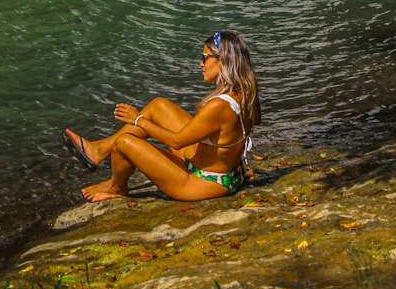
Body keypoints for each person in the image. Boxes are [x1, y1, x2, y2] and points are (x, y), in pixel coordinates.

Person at [62, 29, 260, 202]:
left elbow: (176, 142)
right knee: (159, 106)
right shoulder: (246, 91)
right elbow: (248, 125)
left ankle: (117, 187)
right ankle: (98, 150)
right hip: (229, 172)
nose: (200, 63)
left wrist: (138, 120)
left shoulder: (219, 105)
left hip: (205, 181)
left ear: (222, 60)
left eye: (204, 57)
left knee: (125, 143)